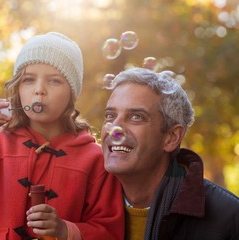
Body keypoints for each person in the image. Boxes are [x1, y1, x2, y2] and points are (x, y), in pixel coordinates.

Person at [0, 32, 124, 240]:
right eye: (28, 80)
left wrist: (66, 230)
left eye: (55, 81)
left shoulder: (95, 158)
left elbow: (109, 232)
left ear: (72, 93)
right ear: (17, 89)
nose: (39, 90)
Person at [101, 67, 239, 240]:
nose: (115, 127)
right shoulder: (84, 203)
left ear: (171, 137)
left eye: (136, 116)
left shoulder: (229, 218)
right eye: (109, 115)